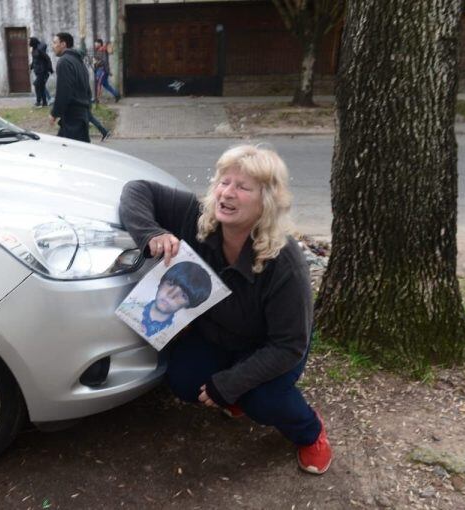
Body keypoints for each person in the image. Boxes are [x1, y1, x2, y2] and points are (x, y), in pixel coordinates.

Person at [118, 145, 333, 475]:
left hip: (273, 346)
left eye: (242, 187)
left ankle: (310, 432)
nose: (227, 194)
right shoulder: (199, 216)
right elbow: (137, 190)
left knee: (263, 402)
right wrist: (152, 233)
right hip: (220, 334)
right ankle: (234, 395)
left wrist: (231, 383)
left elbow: (289, 345)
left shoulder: (284, 262)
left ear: (267, 201)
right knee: (184, 380)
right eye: (223, 182)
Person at [119, 261, 212, 337]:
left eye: (184, 295)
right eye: (170, 284)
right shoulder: (127, 308)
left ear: (189, 305)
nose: (171, 295)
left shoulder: (176, 333)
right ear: (160, 283)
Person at [49, 32, 91, 142]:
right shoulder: (79, 61)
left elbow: (64, 91)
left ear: (63, 44)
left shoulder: (64, 61)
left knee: (71, 154)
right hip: (82, 116)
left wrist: (54, 113)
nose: (53, 46)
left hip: (72, 119)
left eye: (55, 43)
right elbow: (88, 91)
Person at [93, 38, 120, 103]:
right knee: (106, 85)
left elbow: (104, 61)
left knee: (98, 84)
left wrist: (97, 63)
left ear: (99, 43)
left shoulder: (103, 50)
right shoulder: (98, 50)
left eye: (96, 43)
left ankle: (97, 99)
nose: (95, 44)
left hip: (102, 70)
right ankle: (116, 94)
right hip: (100, 70)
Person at [29, 37, 53, 107]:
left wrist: (50, 69)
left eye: (29, 41)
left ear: (33, 42)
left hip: (43, 72)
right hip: (38, 71)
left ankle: (38, 102)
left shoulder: (39, 50)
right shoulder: (33, 50)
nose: (28, 43)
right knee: (42, 87)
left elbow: (47, 58)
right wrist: (31, 67)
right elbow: (34, 60)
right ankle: (44, 103)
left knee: (36, 84)